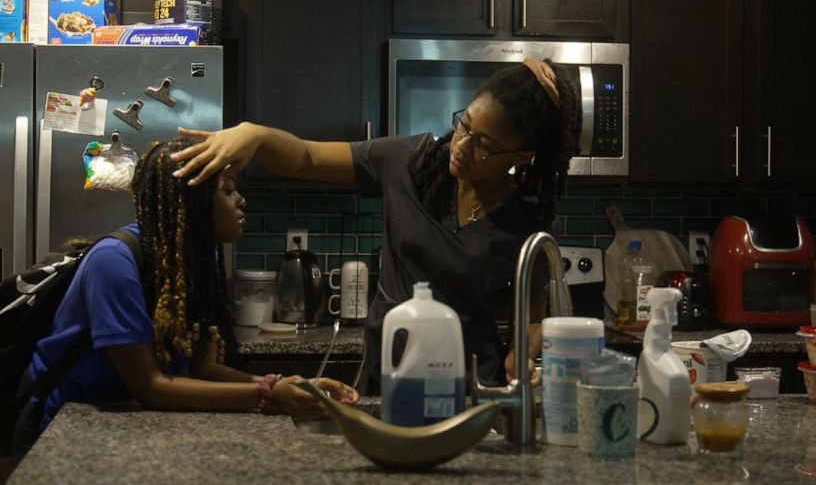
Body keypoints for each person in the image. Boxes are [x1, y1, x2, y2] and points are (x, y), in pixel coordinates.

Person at [169, 58, 581, 391]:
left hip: (472, 391)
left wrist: (520, 356)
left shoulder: (528, 219)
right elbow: (306, 158)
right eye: (464, 124)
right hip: (387, 381)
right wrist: (254, 134)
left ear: (521, 156)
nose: (461, 146)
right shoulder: (409, 161)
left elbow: (531, 317)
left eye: (484, 145)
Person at [12, 138, 359, 462]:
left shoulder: (200, 260)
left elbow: (202, 369)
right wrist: (268, 396)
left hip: (132, 420)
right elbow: (150, 386)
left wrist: (291, 386)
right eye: (228, 191)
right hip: (67, 426)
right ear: (189, 204)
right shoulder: (114, 261)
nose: (242, 200)